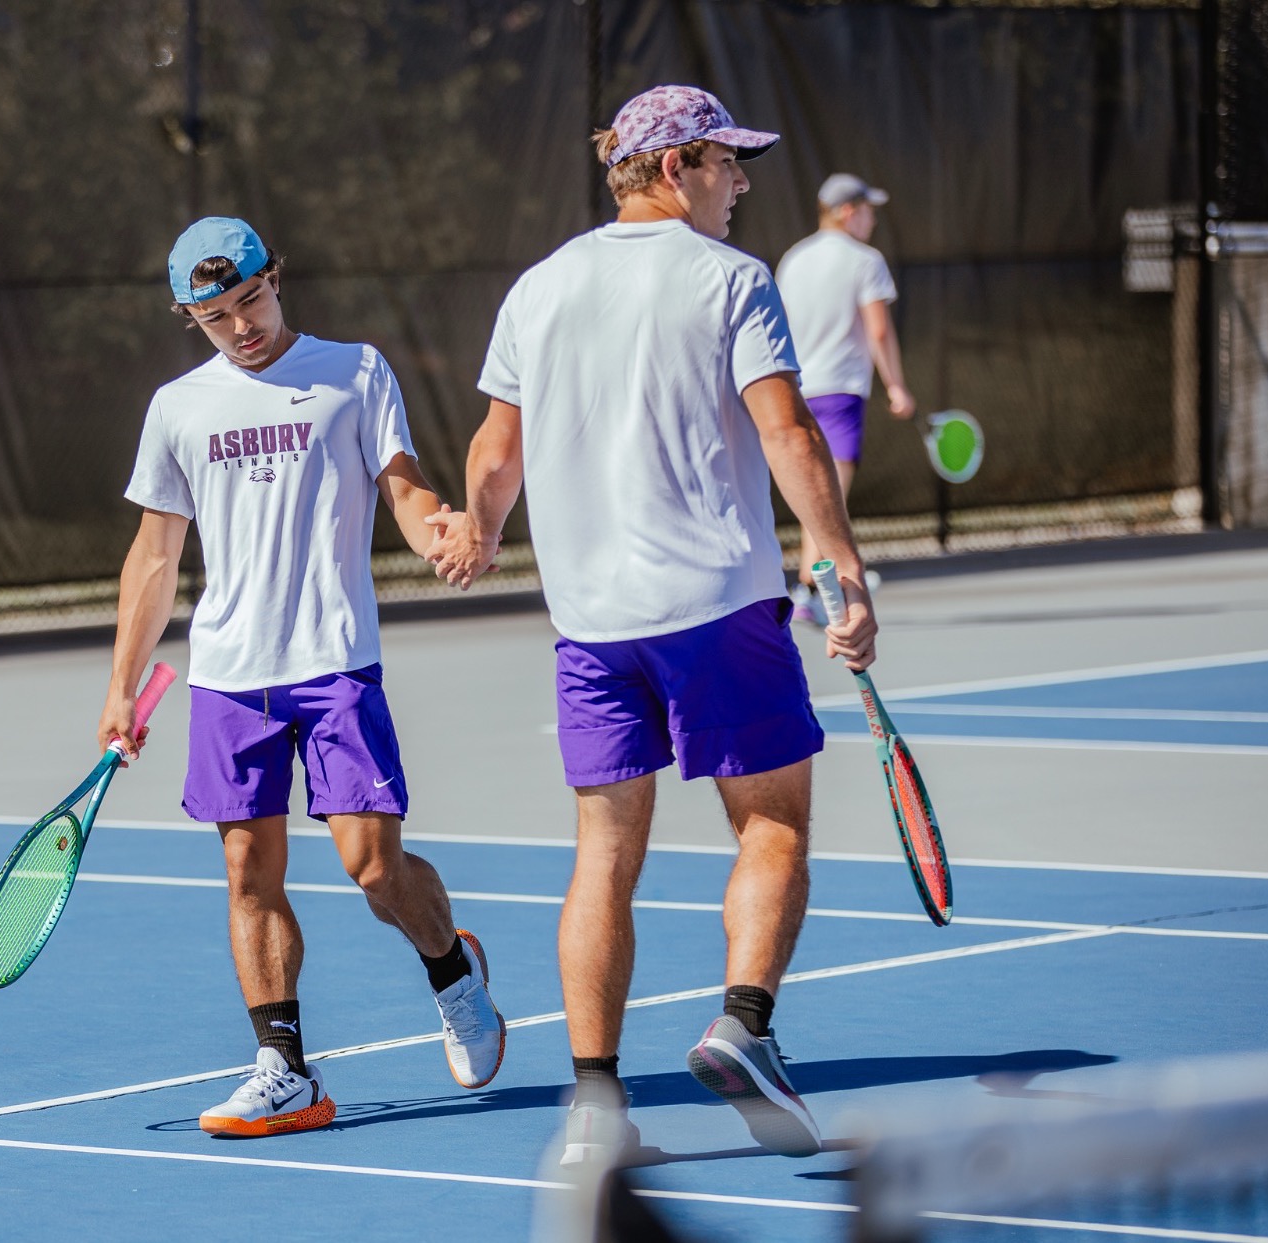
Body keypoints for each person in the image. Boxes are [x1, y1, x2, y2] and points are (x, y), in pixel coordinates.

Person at [425, 86, 878, 1163]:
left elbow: (495, 452)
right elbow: (788, 436)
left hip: (590, 627)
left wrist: (479, 533)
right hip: (717, 607)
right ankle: (745, 1029)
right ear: (673, 167)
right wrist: (840, 565)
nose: (741, 182)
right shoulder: (731, 280)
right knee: (770, 828)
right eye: (726, 162)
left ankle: (592, 1111)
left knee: (602, 855)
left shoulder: (537, 289)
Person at [101, 216, 507, 1139]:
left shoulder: (355, 372)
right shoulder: (177, 408)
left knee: (373, 868)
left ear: (276, 279)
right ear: (189, 317)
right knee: (249, 868)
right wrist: (122, 687)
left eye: (250, 300)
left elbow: (402, 490)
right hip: (228, 676)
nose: (240, 325)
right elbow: (152, 558)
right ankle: (285, 1068)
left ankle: (452, 969)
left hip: (334, 663)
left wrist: (439, 529)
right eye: (215, 315)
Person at [776, 173, 915, 622]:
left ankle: (804, 591)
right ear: (848, 213)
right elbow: (878, 329)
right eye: (869, 211)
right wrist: (896, 386)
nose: (873, 219)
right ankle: (808, 591)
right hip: (838, 394)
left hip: (794, 392)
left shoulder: (792, 260)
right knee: (828, 500)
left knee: (814, 494)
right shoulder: (865, 260)